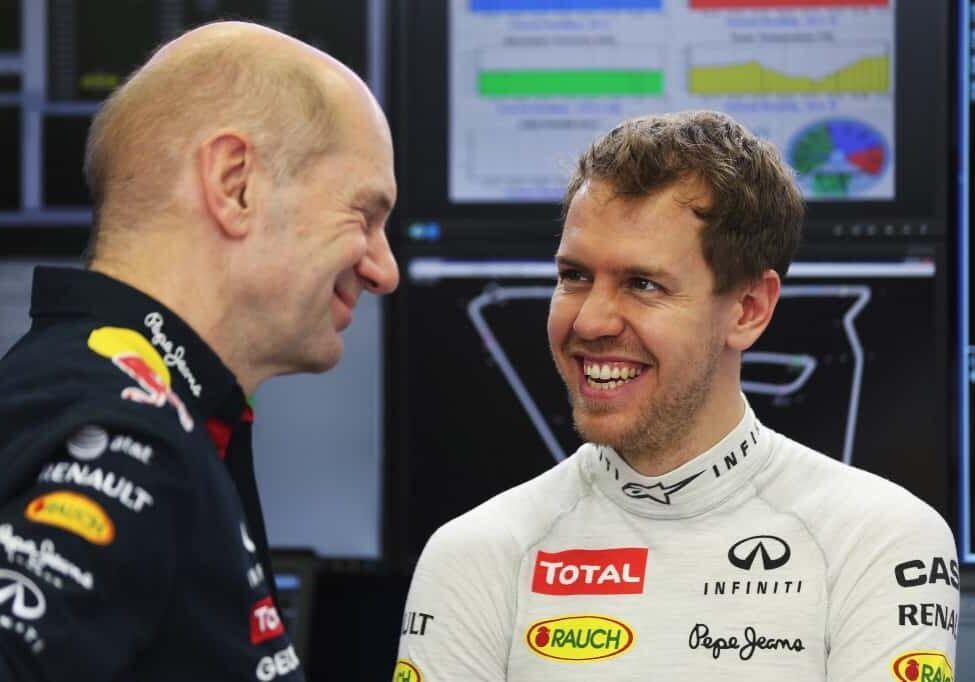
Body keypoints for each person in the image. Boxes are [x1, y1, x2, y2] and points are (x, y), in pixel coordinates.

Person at [394, 111, 958, 681]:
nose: (590, 321)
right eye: (574, 276)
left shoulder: (880, 537)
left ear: (748, 309)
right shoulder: (475, 550)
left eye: (643, 284)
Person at [0, 20, 398, 681]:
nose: (386, 270)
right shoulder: (126, 433)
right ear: (234, 182)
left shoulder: (116, 396)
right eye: (365, 214)